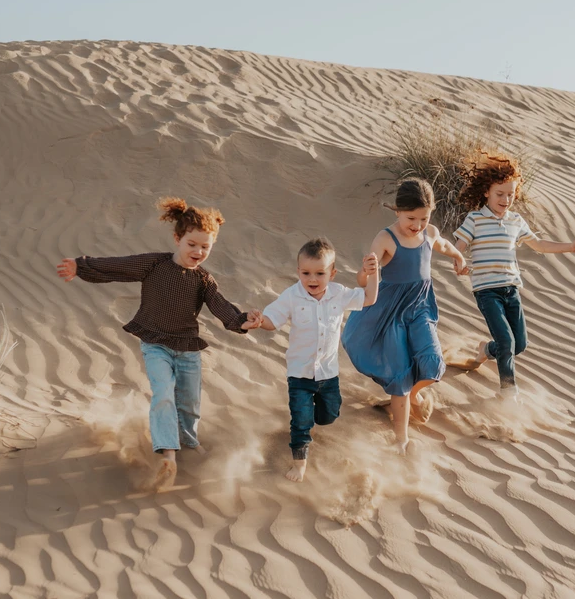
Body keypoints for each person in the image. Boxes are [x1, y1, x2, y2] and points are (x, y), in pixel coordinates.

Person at [56, 197, 250, 486]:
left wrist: (240, 321)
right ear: (177, 238)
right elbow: (119, 267)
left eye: (205, 247)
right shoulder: (154, 264)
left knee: (190, 404)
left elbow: (220, 305)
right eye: (192, 244)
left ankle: (189, 440)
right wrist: (82, 266)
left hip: (187, 350)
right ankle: (168, 455)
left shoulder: (204, 280)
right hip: (156, 345)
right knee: (163, 395)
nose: (198, 251)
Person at [341, 178, 467, 454]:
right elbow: (364, 281)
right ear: (397, 211)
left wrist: (458, 257)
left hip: (419, 307)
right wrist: (365, 270)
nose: (417, 225)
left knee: (434, 365)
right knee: (399, 376)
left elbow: (443, 245)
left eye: (424, 218)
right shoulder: (386, 238)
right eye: (411, 218)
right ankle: (402, 440)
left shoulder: (429, 233)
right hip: (388, 312)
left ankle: (412, 394)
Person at [453, 150, 575, 397]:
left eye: (511, 194)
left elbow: (539, 245)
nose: (506, 199)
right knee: (507, 342)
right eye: (500, 194)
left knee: (519, 345)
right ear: (486, 192)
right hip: (486, 290)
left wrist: (570, 246)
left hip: (511, 289)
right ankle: (508, 393)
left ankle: (486, 350)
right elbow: (459, 247)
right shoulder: (474, 219)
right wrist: (459, 260)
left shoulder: (516, 221)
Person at [242, 238, 380, 481]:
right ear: (298, 272)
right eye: (306, 273)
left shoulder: (339, 294)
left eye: (320, 273)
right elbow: (273, 320)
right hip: (300, 374)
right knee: (301, 422)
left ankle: (316, 415)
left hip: (328, 374)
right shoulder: (291, 296)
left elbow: (369, 298)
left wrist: (374, 273)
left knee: (328, 417)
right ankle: (299, 464)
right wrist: (259, 320)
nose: (312, 279)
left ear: (333, 273)